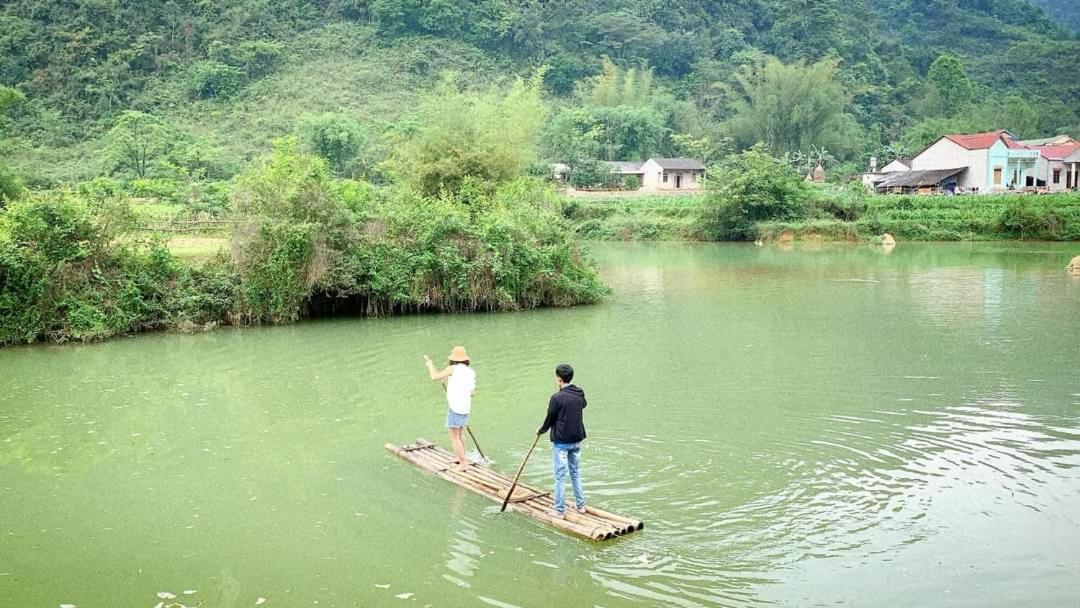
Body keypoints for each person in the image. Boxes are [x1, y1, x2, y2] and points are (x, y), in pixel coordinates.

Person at [536, 363, 587, 518]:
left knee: (559, 476)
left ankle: (559, 510)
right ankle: (581, 506)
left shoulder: (556, 398)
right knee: (575, 473)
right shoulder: (579, 392)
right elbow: (583, 404)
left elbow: (550, 418)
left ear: (559, 379)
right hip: (577, 439)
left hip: (562, 441)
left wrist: (541, 430)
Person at [424, 346, 476, 471]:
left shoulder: (452, 368)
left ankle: (463, 464)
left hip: (455, 407)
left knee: (454, 437)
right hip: (465, 407)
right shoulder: (470, 372)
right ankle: (461, 458)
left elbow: (435, 377)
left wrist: (430, 365)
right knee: (460, 434)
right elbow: (472, 393)